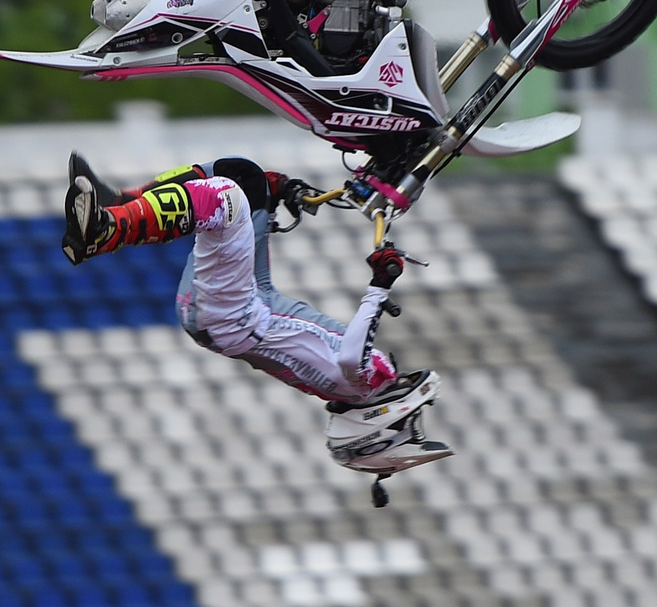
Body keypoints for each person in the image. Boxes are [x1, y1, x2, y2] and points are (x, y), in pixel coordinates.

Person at [60, 153, 452, 473]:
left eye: (406, 425)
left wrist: (380, 285)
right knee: (246, 178)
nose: (409, 411)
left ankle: (109, 227)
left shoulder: (367, 384)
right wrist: (281, 192)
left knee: (225, 198)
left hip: (232, 313)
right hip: (245, 307)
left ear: (377, 428)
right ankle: (118, 204)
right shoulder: (351, 388)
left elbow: (352, 353)